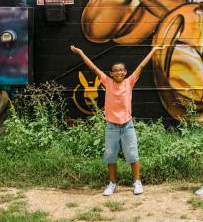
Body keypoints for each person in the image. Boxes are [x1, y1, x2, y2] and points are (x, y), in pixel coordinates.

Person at [70, 44, 163, 196]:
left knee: (132, 155)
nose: (119, 72)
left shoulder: (129, 82)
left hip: (127, 125)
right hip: (111, 126)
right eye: (116, 70)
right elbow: (93, 67)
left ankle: (137, 182)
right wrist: (80, 52)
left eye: (121, 70)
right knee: (110, 155)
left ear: (125, 72)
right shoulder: (107, 82)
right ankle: (112, 183)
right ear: (111, 74)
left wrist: (153, 50)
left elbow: (141, 65)